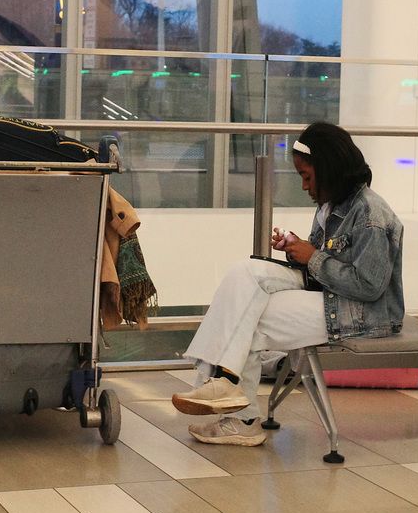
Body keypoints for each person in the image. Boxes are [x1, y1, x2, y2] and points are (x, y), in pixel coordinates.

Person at [172, 122, 405, 446]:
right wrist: (298, 250)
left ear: (329, 170)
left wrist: (312, 257)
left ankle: (233, 402)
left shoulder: (370, 215)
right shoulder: (332, 205)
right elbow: (323, 259)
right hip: (330, 295)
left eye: (307, 177)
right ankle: (225, 389)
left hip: (364, 313)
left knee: (250, 317)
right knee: (245, 271)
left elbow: (369, 287)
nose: (305, 186)